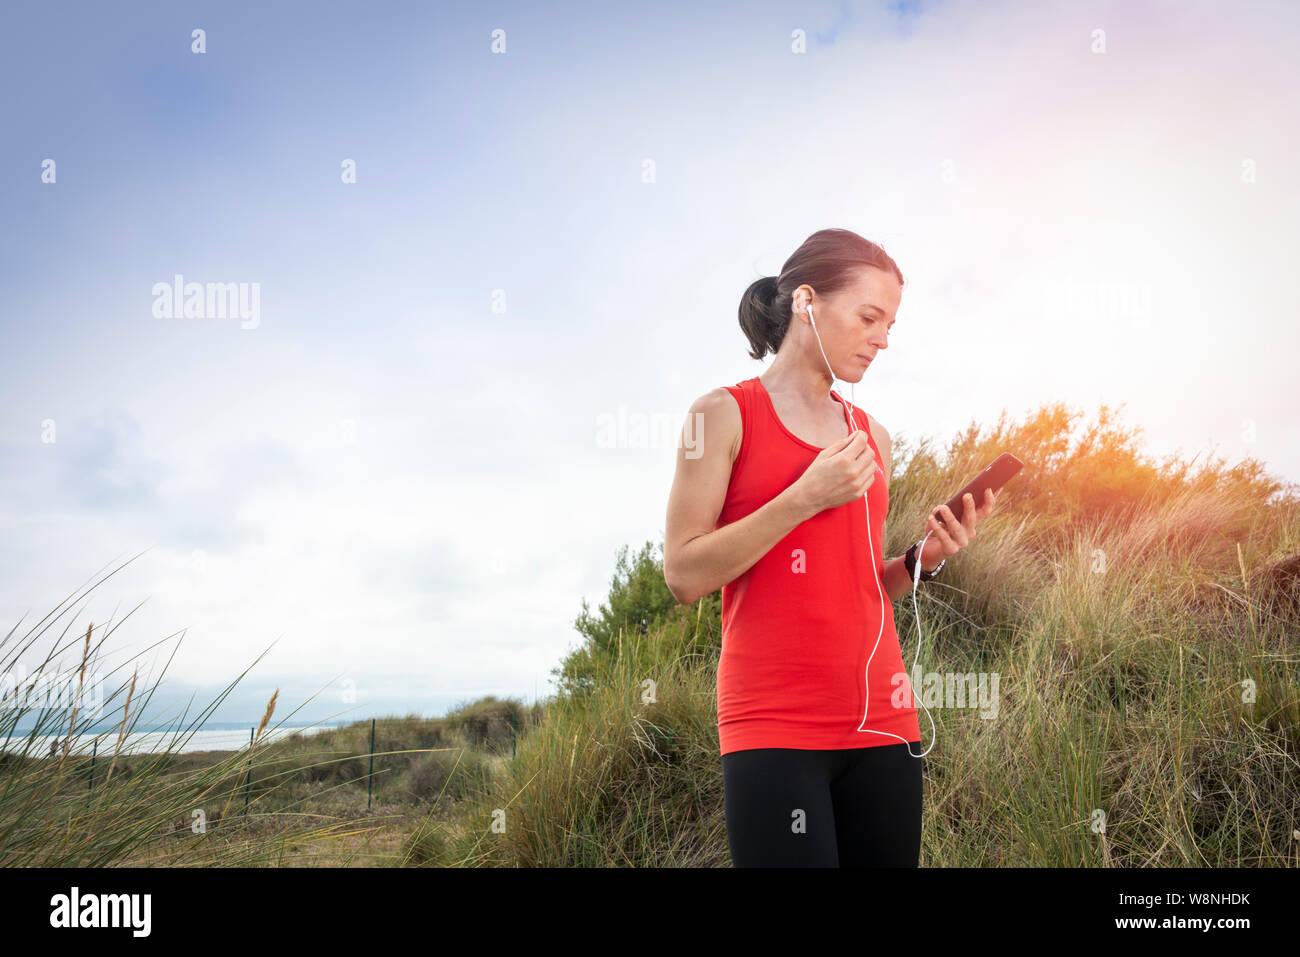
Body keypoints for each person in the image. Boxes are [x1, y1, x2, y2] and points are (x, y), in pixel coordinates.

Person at [663, 228, 998, 866]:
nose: (883, 339)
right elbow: (683, 574)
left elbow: (860, 580)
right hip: (773, 722)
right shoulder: (722, 415)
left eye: (892, 325)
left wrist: (921, 562)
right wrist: (803, 496)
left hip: (882, 721)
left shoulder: (873, 435)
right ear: (807, 302)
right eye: (870, 317)